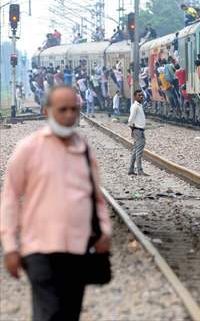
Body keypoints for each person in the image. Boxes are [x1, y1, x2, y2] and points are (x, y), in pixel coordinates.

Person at [1, 85, 111, 321]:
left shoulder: (83, 150)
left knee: (70, 313)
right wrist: (10, 245)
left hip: (78, 248)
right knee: (49, 314)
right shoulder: (28, 149)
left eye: (74, 109)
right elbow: (10, 198)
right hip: (40, 249)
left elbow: (96, 198)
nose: (70, 115)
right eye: (63, 110)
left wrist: (105, 230)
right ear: (46, 111)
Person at [128, 90, 148, 176]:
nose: (141, 97)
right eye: (139, 95)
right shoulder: (135, 106)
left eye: (142, 95)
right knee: (139, 151)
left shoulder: (139, 106)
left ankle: (131, 169)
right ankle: (140, 170)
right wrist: (133, 129)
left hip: (139, 130)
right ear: (135, 96)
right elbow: (130, 120)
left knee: (135, 150)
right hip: (138, 131)